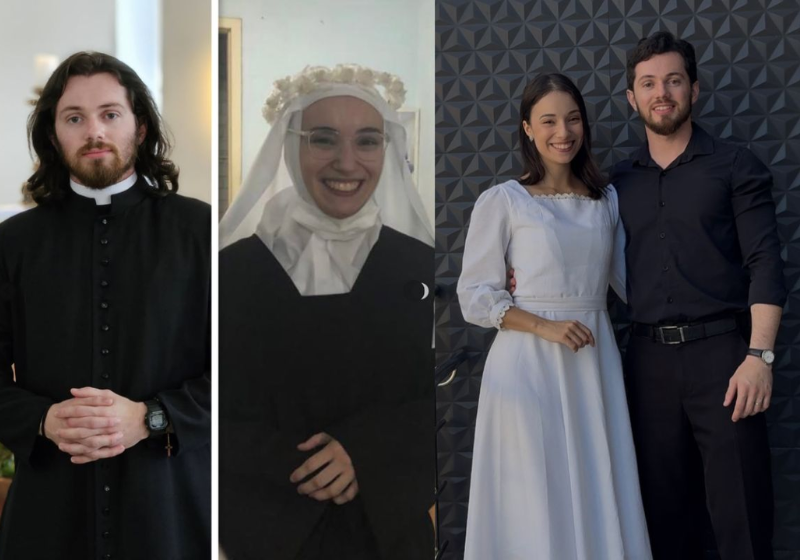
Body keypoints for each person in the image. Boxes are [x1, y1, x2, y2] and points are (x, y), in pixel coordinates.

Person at [218, 64, 435, 560]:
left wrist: (364, 451)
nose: (347, 162)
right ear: (289, 147)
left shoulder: (424, 268)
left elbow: (440, 397)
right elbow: (212, 404)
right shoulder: (230, 273)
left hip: (388, 529)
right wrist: (308, 469)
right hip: (267, 527)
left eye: (367, 141)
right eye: (322, 139)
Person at [0, 52, 211, 559]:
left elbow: (242, 371)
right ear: (53, 135)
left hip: (170, 511)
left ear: (141, 127)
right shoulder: (13, 243)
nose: (94, 131)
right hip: (48, 515)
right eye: (74, 118)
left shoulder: (200, 232)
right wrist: (43, 420)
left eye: (110, 114)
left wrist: (151, 417)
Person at [457, 73, 652, 559]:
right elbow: (475, 296)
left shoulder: (606, 201)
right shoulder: (504, 201)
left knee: (594, 480)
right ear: (527, 128)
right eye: (548, 121)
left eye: (572, 119)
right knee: (533, 494)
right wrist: (546, 325)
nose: (562, 132)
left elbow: (630, 283)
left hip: (592, 363)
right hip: (526, 369)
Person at [612, 31, 785, 560]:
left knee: (741, 516)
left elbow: (765, 264)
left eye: (673, 80)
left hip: (725, 362)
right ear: (632, 98)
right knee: (661, 519)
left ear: (694, 88)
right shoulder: (616, 184)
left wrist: (759, 357)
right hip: (646, 365)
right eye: (648, 84)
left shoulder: (736, 166)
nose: (661, 93)